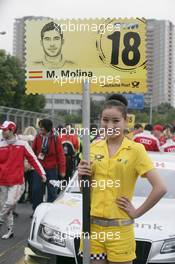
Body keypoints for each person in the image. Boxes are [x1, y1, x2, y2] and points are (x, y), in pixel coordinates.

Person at [78, 98, 167, 264]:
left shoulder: (136, 150)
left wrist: (136, 212)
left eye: (116, 121)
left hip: (120, 230)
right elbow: (85, 191)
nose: (110, 125)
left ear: (126, 122)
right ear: (100, 121)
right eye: (105, 120)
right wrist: (80, 175)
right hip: (93, 228)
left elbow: (160, 188)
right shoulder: (93, 147)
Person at [0, 121, 46, 239]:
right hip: (2, 181)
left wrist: (42, 173)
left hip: (17, 181)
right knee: (7, 207)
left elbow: (33, 159)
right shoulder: (1, 144)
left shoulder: (23, 144)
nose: (2, 131)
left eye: (4, 129)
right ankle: (10, 231)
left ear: (11, 130)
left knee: (10, 203)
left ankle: (0, 219)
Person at [32, 119, 66, 211]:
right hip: (39, 168)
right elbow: (33, 151)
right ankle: (36, 210)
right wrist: (32, 163)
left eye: (42, 127)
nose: (40, 129)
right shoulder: (38, 137)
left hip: (52, 169)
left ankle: (50, 210)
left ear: (47, 128)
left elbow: (61, 155)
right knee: (36, 190)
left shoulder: (56, 138)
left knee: (52, 191)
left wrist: (62, 170)